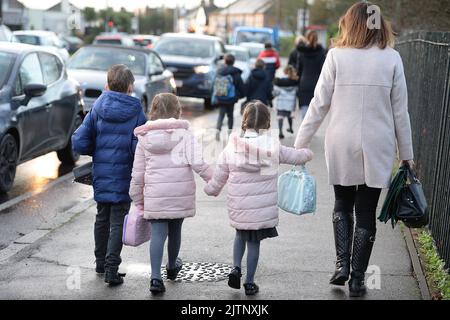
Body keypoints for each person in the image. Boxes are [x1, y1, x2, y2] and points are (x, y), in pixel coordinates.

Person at [294, 2, 415, 297]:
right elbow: (401, 112)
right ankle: (359, 278)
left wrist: (301, 141)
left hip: (341, 141)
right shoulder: (392, 59)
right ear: (379, 25)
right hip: (378, 144)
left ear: (350, 24)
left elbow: (319, 103)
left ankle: (341, 264)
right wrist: (407, 154)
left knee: (341, 205)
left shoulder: (336, 56)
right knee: (365, 212)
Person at [204, 101, 313, 295]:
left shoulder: (232, 147)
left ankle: (236, 268)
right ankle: (250, 282)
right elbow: (295, 156)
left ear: (244, 122)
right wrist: (307, 153)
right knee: (254, 243)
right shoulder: (273, 147)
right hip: (260, 209)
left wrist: (212, 189)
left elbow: (220, 173)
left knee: (240, 235)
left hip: (240, 206)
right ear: (267, 123)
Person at [129, 93, 212, 295]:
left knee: (158, 234)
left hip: (155, 195)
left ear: (154, 111)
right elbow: (199, 163)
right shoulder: (184, 135)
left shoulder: (144, 138)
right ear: (177, 111)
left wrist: (138, 198)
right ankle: (173, 266)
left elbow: (138, 174)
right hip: (179, 193)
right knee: (175, 231)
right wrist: (215, 180)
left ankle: (156, 277)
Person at [72, 64, 147, 286]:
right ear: (130, 87)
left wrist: (97, 148)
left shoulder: (97, 107)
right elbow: (138, 148)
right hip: (124, 175)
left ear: (108, 84)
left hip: (101, 174)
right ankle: (112, 269)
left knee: (101, 218)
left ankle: (100, 263)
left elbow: (79, 141)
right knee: (117, 222)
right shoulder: (136, 112)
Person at [296, 30, 326, 120]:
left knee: (304, 106)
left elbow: (299, 70)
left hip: (304, 83)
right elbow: (323, 70)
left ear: (306, 38)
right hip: (316, 83)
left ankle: (304, 128)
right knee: (314, 107)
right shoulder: (321, 53)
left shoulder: (301, 52)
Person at [214, 53, 245, 141]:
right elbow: (240, 86)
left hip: (221, 96)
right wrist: (241, 95)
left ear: (225, 61)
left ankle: (217, 132)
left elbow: (214, 83)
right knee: (230, 116)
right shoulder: (236, 73)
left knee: (221, 115)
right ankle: (230, 134)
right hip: (231, 98)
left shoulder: (220, 71)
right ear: (233, 62)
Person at [273, 65, 299, 139]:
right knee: (289, 116)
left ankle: (280, 131)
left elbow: (276, 92)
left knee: (280, 117)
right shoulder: (295, 82)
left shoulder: (279, 81)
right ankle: (290, 127)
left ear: (284, 72)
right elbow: (297, 92)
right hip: (290, 104)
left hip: (281, 103)